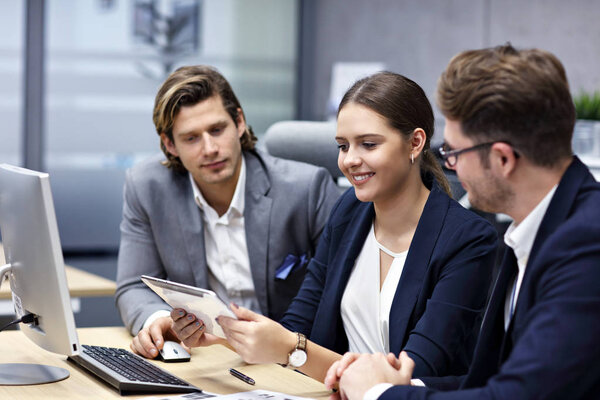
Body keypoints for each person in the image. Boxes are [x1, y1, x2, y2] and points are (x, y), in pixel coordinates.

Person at [170, 72, 498, 382]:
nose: (349, 160)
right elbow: (298, 326)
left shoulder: (468, 240)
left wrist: (289, 348)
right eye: (343, 146)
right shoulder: (349, 212)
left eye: (368, 144)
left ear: (414, 143)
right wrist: (222, 338)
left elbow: (410, 375)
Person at [327, 44, 600, 400]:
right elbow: (493, 381)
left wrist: (377, 394)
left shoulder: (585, 246)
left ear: (502, 159)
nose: (449, 167)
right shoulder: (539, 229)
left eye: (454, 152)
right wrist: (407, 386)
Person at [114, 65, 341, 359]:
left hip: (290, 360)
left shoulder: (306, 189)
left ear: (239, 122)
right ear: (170, 145)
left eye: (217, 130)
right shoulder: (147, 188)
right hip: (207, 361)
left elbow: (340, 294)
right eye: (191, 138)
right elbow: (133, 285)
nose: (209, 148)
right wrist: (158, 321)